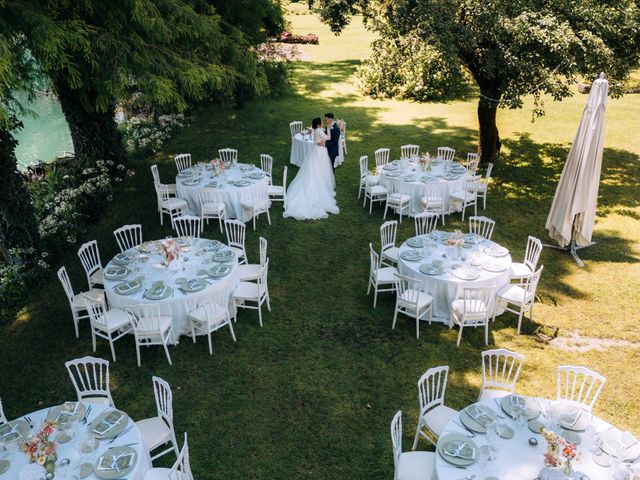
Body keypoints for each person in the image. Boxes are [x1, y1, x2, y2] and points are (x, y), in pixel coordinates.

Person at [283, 117, 339, 220]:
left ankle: (317, 182)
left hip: (315, 151)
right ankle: (320, 185)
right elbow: (328, 138)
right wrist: (328, 128)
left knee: (313, 169)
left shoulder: (315, 130)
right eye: (321, 122)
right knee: (320, 169)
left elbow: (317, 135)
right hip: (320, 152)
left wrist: (324, 129)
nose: (322, 122)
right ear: (318, 124)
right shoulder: (319, 130)